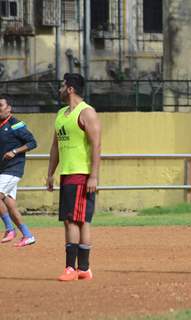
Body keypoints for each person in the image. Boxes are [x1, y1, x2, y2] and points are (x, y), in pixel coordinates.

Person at [47, 73, 101, 281]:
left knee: (74, 221)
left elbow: (96, 145)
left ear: (70, 89)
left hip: (81, 174)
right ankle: (83, 269)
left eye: (62, 85)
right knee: (75, 221)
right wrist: (50, 173)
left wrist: (94, 176)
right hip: (67, 174)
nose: (59, 89)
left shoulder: (87, 112)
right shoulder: (61, 113)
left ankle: (73, 268)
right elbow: (55, 147)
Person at [0, 95, 37, 247]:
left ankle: (10, 229)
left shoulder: (16, 125)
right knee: (10, 205)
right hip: (3, 170)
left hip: (13, 169)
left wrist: (14, 151)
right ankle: (28, 235)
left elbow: (32, 142)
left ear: (9, 108)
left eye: (0, 105)